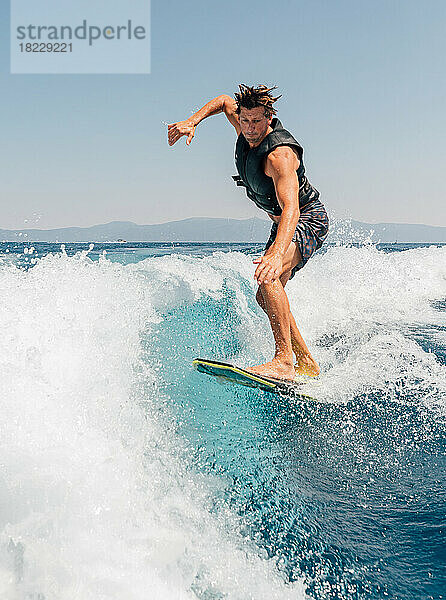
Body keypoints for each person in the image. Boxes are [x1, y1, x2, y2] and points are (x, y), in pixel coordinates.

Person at [168, 84, 329, 380]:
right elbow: (223, 101)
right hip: (283, 222)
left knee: (269, 275)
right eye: (245, 121)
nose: (250, 128)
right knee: (264, 295)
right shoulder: (241, 121)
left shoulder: (279, 155)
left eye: (257, 121)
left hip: (306, 217)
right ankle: (306, 362)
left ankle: (284, 361)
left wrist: (277, 254)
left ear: (269, 118)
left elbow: (291, 208)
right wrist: (192, 121)